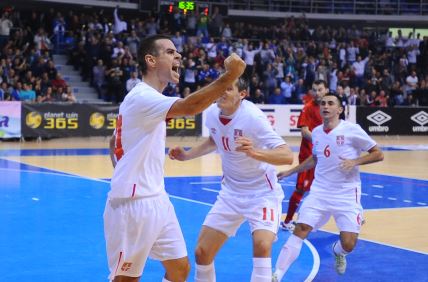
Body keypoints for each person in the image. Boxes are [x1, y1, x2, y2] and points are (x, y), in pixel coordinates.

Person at [106, 34, 245, 282]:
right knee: (126, 279)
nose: (178, 55)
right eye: (170, 52)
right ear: (150, 60)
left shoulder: (150, 100)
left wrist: (122, 164)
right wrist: (230, 76)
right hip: (133, 204)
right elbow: (190, 107)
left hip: (157, 198)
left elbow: (113, 140)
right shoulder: (141, 96)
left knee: (180, 269)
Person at [168, 76, 294, 282]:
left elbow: (287, 155)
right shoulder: (211, 114)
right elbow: (214, 139)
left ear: (242, 95)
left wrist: (255, 153)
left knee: (262, 246)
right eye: (220, 88)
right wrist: (187, 155)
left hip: (262, 193)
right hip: (230, 193)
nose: (222, 92)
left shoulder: (253, 117)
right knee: (202, 252)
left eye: (228, 89)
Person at [272, 93, 384, 281]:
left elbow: (378, 154)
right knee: (301, 229)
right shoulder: (316, 132)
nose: (325, 106)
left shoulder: (352, 130)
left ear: (339, 110)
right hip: (320, 192)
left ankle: (338, 251)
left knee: (348, 244)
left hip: (347, 194)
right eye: (323, 103)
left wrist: (355, 161)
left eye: (331, 103)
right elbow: (316, 158)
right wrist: (291, 172)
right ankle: (277, 275)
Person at [280, 80, 327, 231]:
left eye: (320, 89)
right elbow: (304, 132)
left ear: (326, 90)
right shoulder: (308, 108)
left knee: (336, 186)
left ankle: (352, 217)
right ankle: (287, 221)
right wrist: (321, 141)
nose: (317, 93)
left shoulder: (330, 107)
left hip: (326, 156)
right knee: (301, 189)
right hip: (309, 156)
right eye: (315, 90)